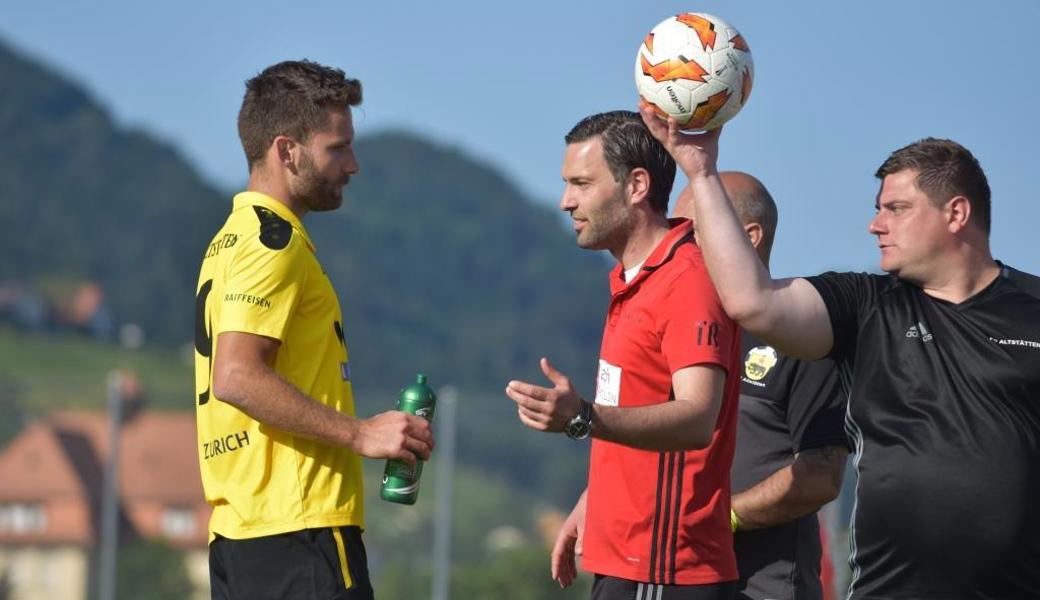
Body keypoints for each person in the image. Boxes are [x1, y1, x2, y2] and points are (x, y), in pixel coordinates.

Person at [639, 103, 1040, 599]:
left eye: (895, 209)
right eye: (878, 208)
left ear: (956, 213)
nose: (875, 225)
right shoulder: (865, 303)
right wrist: (701, 171)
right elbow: (751, 301)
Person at [193, 60, 434, 600]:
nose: (353, 165)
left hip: (243, 533)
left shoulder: (230, 239)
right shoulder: (271, 243)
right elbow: (236, 376)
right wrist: (360, 432)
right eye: (338, 147)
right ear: (287, 150)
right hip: (297, 529)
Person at [505, 110, 742, 600]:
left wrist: (583, 417)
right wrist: (596, 501)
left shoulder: (687, 280)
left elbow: (698, 419)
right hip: (625, 560)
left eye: (581, 183)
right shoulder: (634, 278)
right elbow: (639, 410)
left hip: (665, 567)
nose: (565, 201)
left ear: (637, 185)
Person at [675, 176, 850, 600]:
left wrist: (721, 518)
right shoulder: (677, 330)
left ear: (749, 237)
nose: (675, 248)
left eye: (690, 233)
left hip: (760, 588)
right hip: (673, 580)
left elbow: (821, 477)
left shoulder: (804, 338)